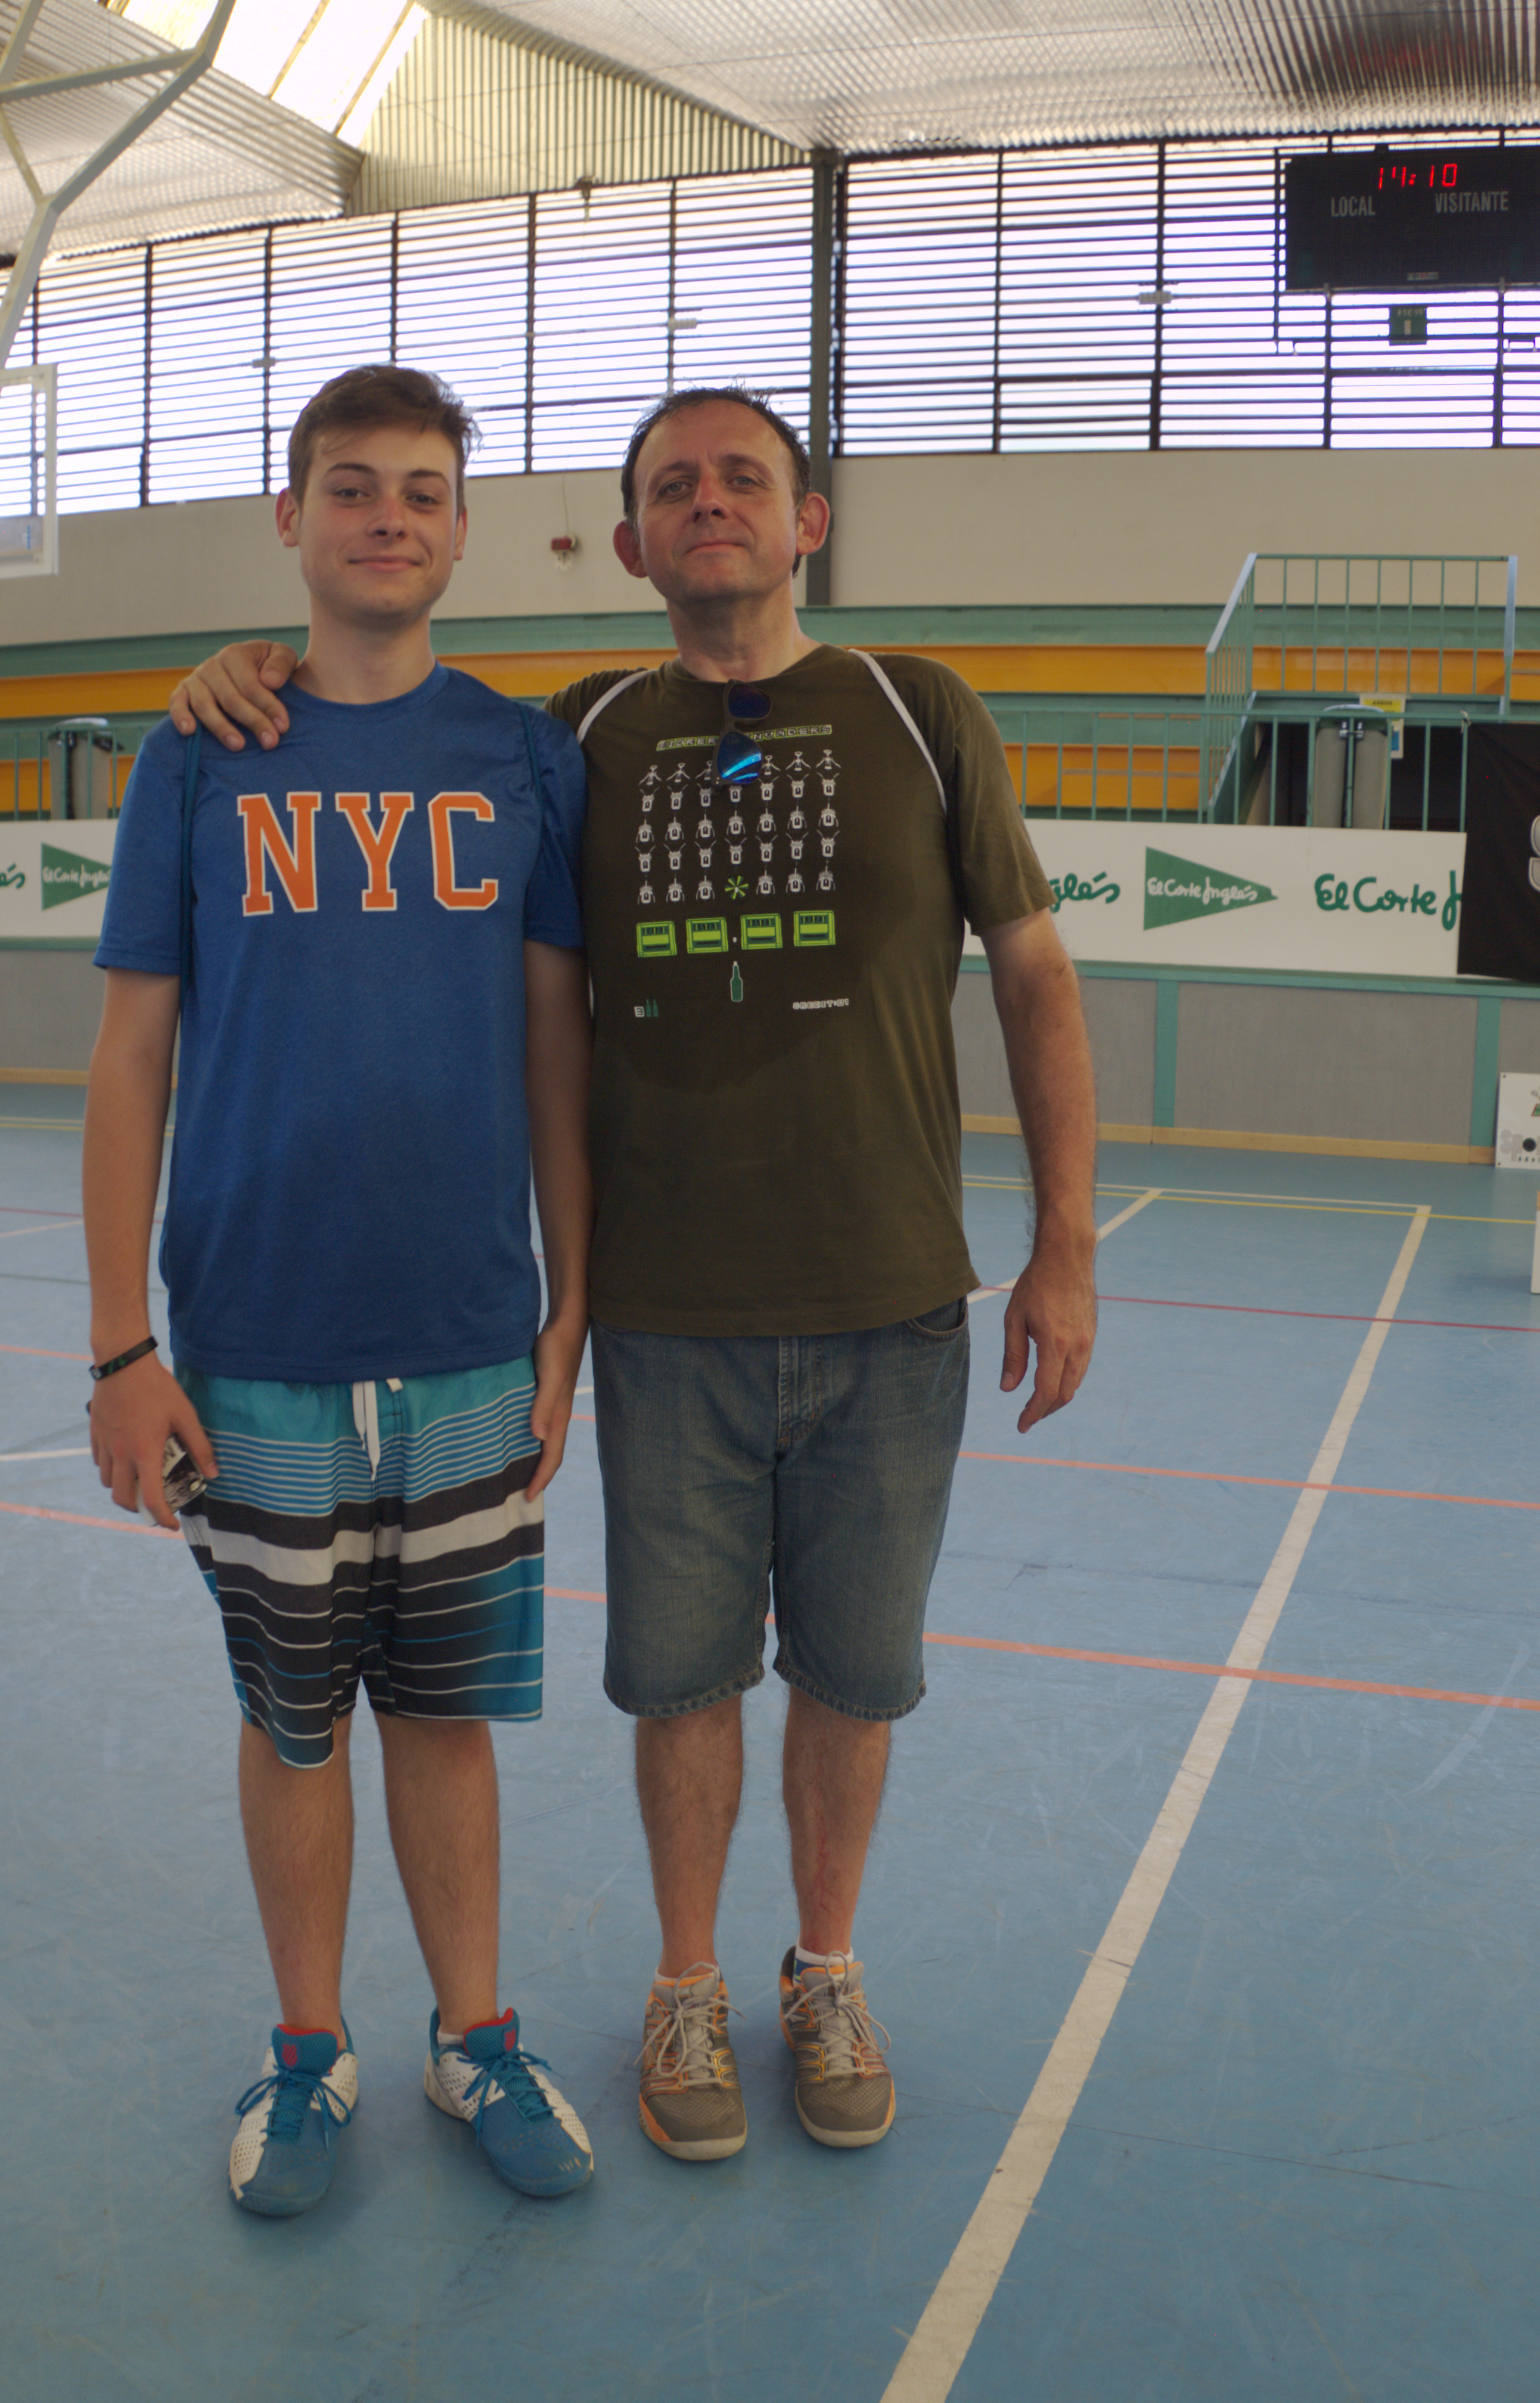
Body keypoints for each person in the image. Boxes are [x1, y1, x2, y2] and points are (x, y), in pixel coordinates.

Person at [169, 383, 1100, 2168]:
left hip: (894, 1300)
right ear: (628, 543)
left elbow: (1037, 977)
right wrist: (239, 668)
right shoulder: (575, 741)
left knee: (853, 1674)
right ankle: (686, 1984)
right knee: (680, 1679)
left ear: (808, 520)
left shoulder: (920, 711)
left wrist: (1064, 1243)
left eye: (745, 477)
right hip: (666, 1319)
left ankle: (823, 1968)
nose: (710, 503)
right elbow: (377, 713)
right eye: (674, 486)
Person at [86, 364, 596, 2218]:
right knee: (292, 1715)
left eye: (424, 490)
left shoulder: (523, 758)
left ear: (462, 529)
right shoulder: (196, 754)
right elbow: (131, 1057)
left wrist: (566, 1312)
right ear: (290, 519)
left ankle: (475, 2038)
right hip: (256, 1342)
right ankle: (308, 2049)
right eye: (355, 486)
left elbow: (555, 1050)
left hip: (466, 1332)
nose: (391, 516)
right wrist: (122, 1346)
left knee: (443, 1712)